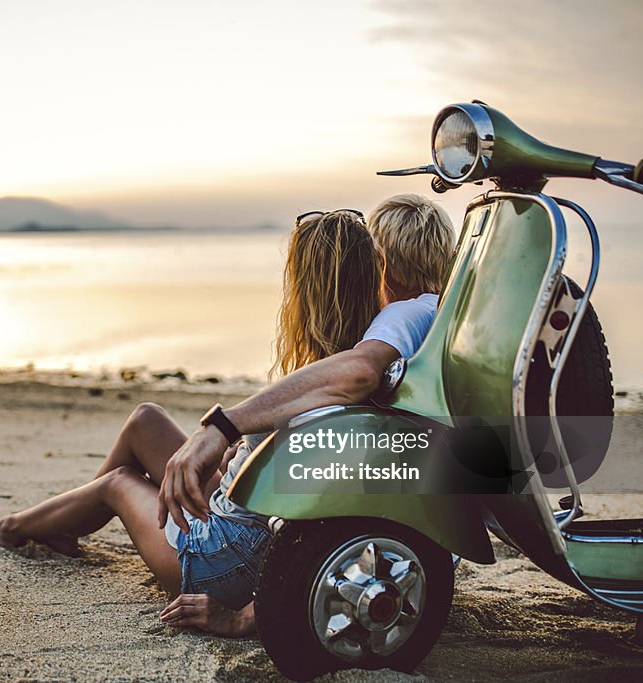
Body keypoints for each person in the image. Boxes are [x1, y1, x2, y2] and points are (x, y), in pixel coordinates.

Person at [0, 207, 386, 635]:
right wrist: (239, 454)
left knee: (118, 482)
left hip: (222, 561)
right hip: (235, 508)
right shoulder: (352, 365)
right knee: (146, 420)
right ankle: (67, 525)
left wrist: (247, 617)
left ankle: (13, 528)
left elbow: (320, 519)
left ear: (307, 291)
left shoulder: (338, 384)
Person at [156, 194, 455, 632]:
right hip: (425, 538)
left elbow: (357, 374)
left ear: (384, 265)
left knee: (128, 473)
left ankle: (28, 527)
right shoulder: (440, 322)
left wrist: (227, 423)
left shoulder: (403, 316)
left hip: (380, 546)